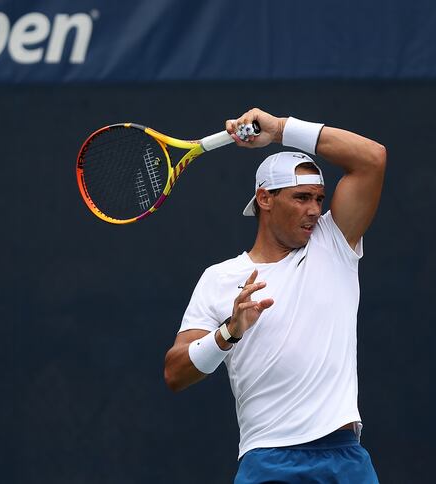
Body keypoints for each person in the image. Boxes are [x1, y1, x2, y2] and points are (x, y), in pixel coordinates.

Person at [163, 108, 386, 483]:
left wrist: (280, 129)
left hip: (343, 459)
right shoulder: (220, 278)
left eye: (319, 198)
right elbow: (175, 372)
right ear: (265, 199)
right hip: (267, 460)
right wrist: (228, 333)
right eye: (301, 198)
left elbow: (371, 158)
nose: (315, 210)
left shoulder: (333, 242)